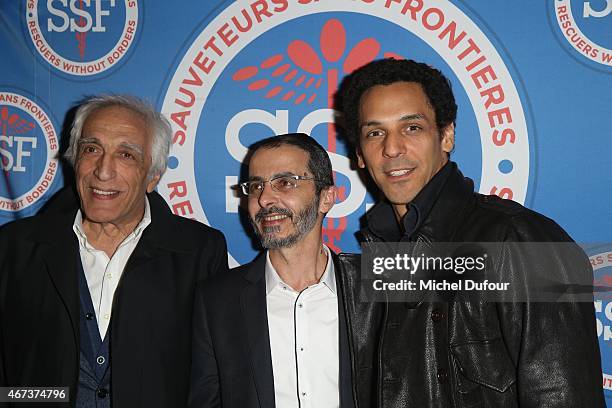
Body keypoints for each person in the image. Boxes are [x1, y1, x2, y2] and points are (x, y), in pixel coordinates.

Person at [335, 58, 604, 407]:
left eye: (411, 128)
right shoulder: (379, 252)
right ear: (359, 154)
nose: (391, 148)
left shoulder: (521, 239)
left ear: (446, 135)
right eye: (375, 133)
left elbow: (564, 396)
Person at [0, 95, 228, 407]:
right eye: (91, 149)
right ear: (74, 158)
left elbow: (211, 380)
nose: (103, 171)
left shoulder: (200, 252)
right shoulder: (15, 248)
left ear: (153, 177)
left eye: (126, 155)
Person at [189, 133, 355, 408]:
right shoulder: (216, 300)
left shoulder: (371, 285)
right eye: (255, 187)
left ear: (326, 198)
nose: (265, 198)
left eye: (285, 183)